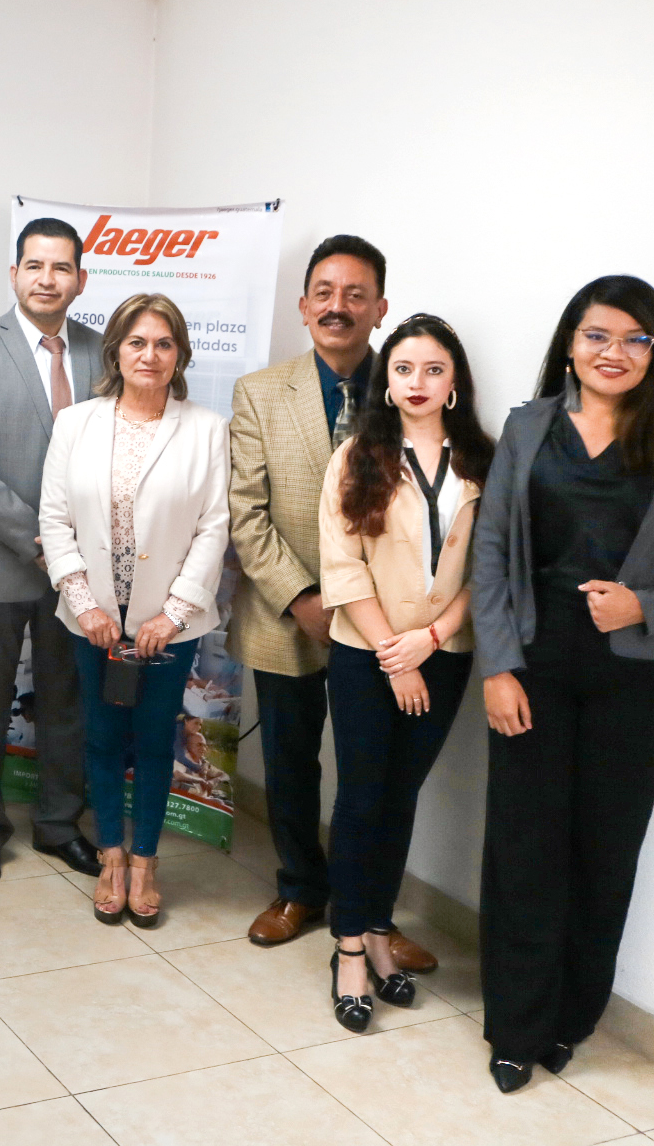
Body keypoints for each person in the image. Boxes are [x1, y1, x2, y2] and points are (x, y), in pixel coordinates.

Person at [472, 276, 654, 1093]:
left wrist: (644, 605)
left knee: (602, 852)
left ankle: (571, 1017)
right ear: (569, 344)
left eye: (633, 339)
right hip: (533, 666)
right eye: (597, 336)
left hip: (637, 680)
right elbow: (489, 553)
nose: (613, 353)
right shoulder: (527, 428)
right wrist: (498, 668)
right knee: (525, 848)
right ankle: (516, 1026)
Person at [229, 235, 436, 973]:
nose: (338, 307)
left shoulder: (415, 385)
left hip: (385, 626)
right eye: (325, 292)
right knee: (289, 763)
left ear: (380, 308)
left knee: (374, 775)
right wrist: (302, 598)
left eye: (355, 295)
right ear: (303, 304)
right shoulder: (259, 392)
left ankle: (368, 913)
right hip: (291, 615)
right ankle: (301, 889)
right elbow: (246, 514)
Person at [317, 314, 492, 1032]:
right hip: (365, 652)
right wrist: (395, 652)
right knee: (362, 798)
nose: (416, 384)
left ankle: (382, 932)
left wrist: (435, 637)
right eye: (403, 370)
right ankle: (349, 948)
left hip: (444, 655)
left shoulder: (484, 461)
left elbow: (492, 566)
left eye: (433, 371)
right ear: (385, 381)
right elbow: (340, 564)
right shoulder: (356, 455)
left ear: (455, 383)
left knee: (401, 798)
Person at [39, 293, 229, 927]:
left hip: (167, 626)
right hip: (91, 622)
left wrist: (171, 614)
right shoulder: (77, 423)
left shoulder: (205, 428)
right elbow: (55, 518)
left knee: (153, 741)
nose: (150, 355)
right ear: (115, 352)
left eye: (164, 344)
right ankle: (111, 856)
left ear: (180, 355)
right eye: (137, 343)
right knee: (100, 736)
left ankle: (145, 861)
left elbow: (213, 527)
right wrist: (84, 603)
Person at [0, 217, 106, 887]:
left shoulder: (102, 350)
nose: (47, 279)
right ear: (14, 274)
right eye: (34, 266)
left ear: (79, 279)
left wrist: (73, 552)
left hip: (82, 570)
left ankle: (60, 824)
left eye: (61, 267)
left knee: (68, 701)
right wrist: (40, 542)